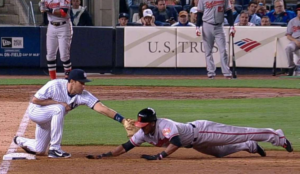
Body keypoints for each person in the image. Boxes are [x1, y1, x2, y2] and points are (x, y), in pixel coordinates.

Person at [13, 69, 138, 158]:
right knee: (59, 109)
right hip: (36, 112)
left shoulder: (83, 95)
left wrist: (122, 120)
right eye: (81, 83)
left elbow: (101, 108)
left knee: (39, 150)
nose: (84, 86)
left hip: (49, 119)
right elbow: (35, 100)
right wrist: (58, 103)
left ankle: (19, 140)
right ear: (72, 81)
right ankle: (55, 149)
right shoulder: (54, 85)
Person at [86, 107, 293, 160]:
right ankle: (249, 147)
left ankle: (276, 136)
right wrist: (105, 155)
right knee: (220, 154)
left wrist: (160, 156)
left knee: (239, 133)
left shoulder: (164, 124)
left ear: (152, 122)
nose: (140, 126)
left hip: (202, 131)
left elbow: (174, 142)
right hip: (194, 142)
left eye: (143, 123)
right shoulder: (144, 133)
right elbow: (126, 146)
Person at [196, 0, 235, 79]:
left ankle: (226, 73)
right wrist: (197, 27)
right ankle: (211, 73)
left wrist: (232, 26)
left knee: (223, 50)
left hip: (219, 26)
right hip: (207, 25)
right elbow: (199, 13)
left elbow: (229, 11)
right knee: (208, 51)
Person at [39, 0, 73, 80]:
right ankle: (53, 81)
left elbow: (63, 13)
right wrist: (42, 8)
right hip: (51, 26)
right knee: (50, 55)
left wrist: (48, 10)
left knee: (64, 56)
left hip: (63, 26)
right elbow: (42, 9)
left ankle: (68, 80)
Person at [285, 5, 300, 76]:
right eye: (299, 10)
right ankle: (291, 67)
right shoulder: (292, 21)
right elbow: (288, 35)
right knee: (288, 48)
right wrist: (295, 41)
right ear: (297, 11)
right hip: (295, 40)